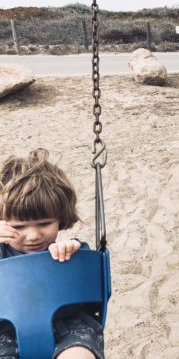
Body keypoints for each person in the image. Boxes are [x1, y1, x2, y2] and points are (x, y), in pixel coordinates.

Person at [0, 149, 104, 359]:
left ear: (60, 217)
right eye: (18, 227)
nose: (32, 236)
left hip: (69, 326)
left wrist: (72, 251)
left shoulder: (65, 249)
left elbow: (87, 282)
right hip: (7, 330)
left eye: (45, 223)